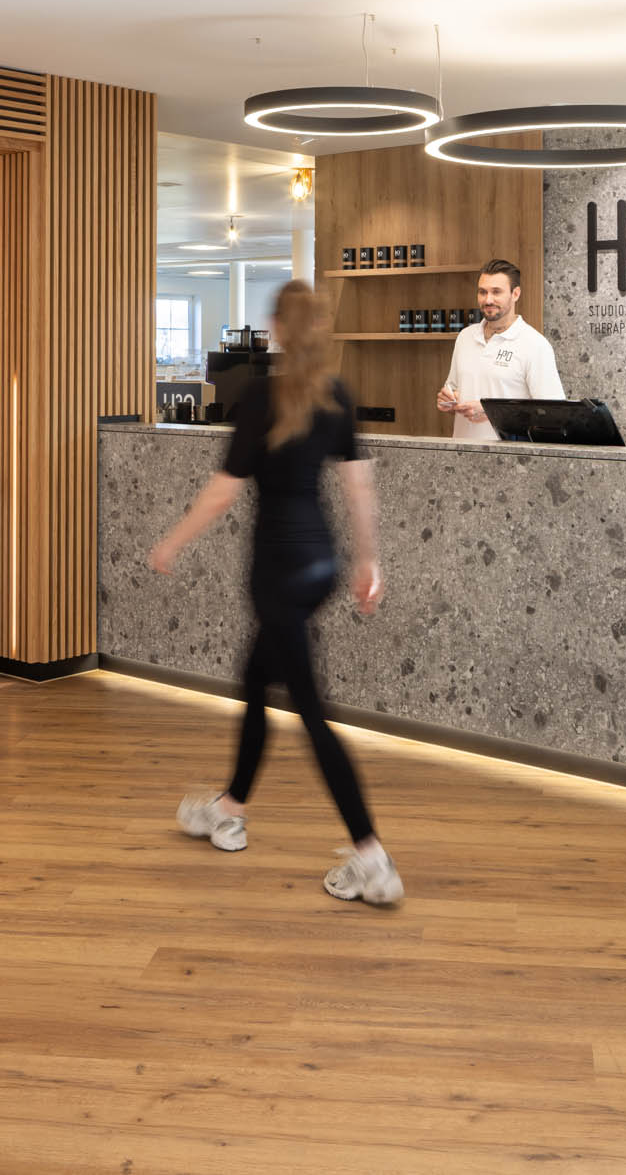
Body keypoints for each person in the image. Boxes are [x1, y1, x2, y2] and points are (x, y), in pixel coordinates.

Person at [148, 281, 402, 906]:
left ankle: (372, 856)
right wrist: (368, 560)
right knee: (256, 677)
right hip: (320, 568)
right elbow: (359, 489)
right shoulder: (337, 395)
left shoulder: (261, 396)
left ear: (279, 330)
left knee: (311, 711)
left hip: (276, 574)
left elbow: (222, 492)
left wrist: (171, 542)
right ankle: (229, 809)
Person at [435, 258, 564, 441]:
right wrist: (448, 400)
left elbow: (552, 415)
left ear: (515, 294)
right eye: (482, 292)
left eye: (496, 292)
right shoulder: (465, 337)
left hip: (509, 456)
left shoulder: (535, 345)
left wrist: (492, 412)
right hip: (462, 452)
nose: (488, 299)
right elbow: (454, 390)